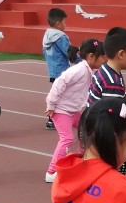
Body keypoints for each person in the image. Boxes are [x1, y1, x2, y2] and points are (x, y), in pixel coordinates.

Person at [44, 38, 106, 183]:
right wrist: (51, 105)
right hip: (61, 110)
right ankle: (51, 172)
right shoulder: (79, 70)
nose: (103, 60)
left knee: (87, 131)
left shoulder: (89, 71)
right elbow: (60, 82)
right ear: (91, 56)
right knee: (67, 139)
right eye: (102, 57)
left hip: (74, 111)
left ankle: (82, 160)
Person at [87, 27, 126, 174]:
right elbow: (114, 115)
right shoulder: (112, 81)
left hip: (94, 130)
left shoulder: (105, 71)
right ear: (121, 54)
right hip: (103, 135)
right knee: (113, 169)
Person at [42, 7, 71, 130]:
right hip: (62, 71)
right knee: (62, 95)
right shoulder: (61, 37)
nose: (66, 25)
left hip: (53, 70)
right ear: (58, 24)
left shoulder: (47, 36)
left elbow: (44, 52)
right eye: (64, 22)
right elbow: (69, 52)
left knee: (56, 94)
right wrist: (82, 59)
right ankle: (54, 119)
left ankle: (53, 119)